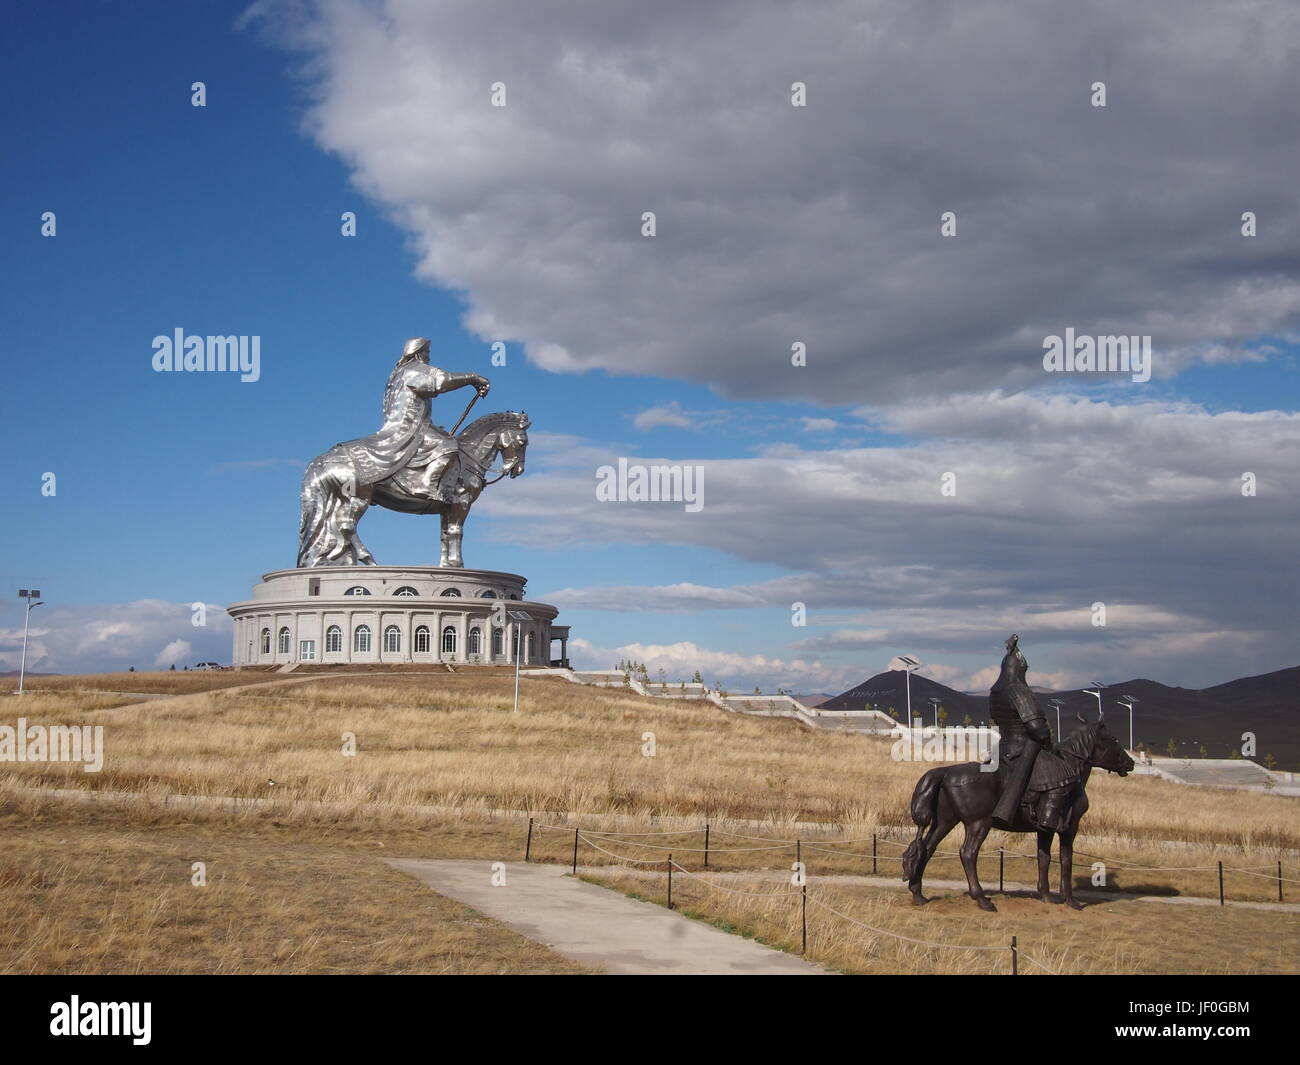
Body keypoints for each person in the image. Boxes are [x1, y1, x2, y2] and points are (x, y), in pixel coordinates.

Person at [342, 337, 490, 504]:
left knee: (442, 438)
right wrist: (473, 378)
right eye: (426, 352)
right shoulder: (414, 370)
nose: (428, 356)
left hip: (410, 425)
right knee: (448, 445)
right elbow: (441, 381)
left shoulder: (398, 374)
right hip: (409, 427)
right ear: (417, 353)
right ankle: (427, 486)